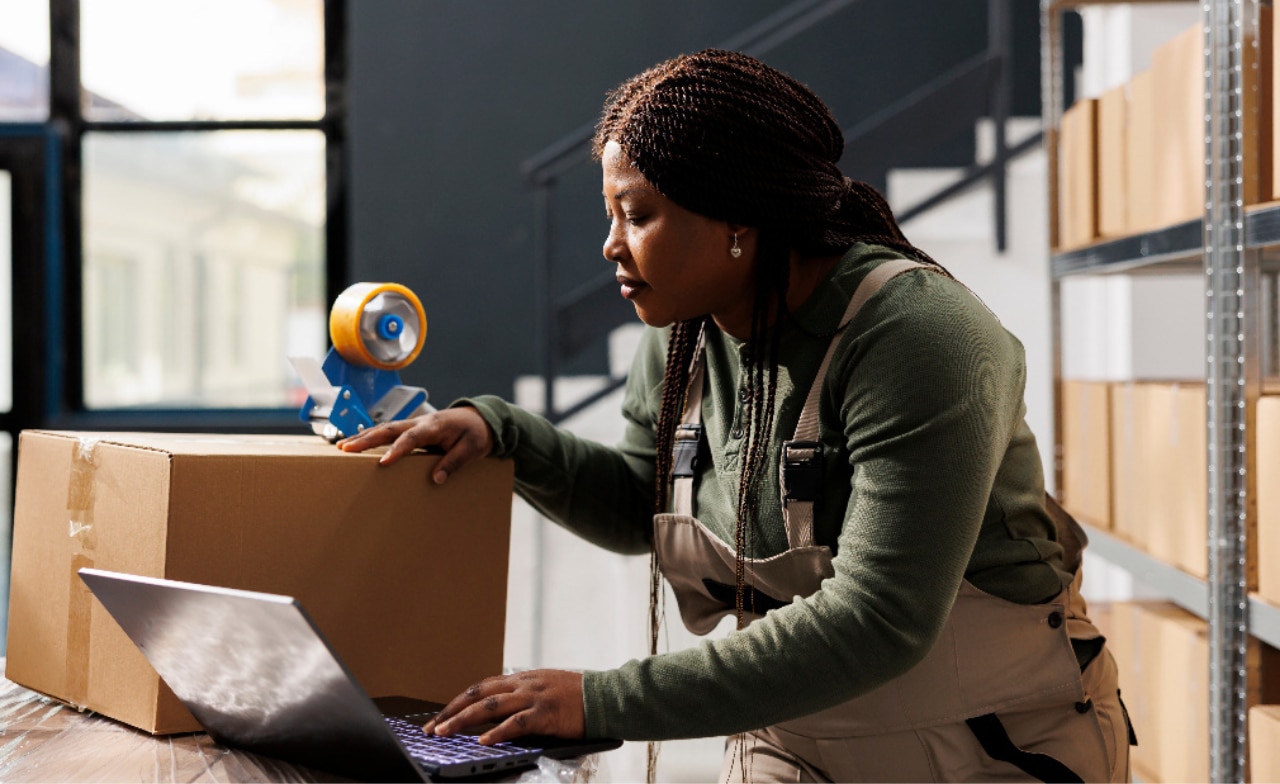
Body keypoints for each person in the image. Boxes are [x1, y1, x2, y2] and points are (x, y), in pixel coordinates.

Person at [337, 48, 1133, 783]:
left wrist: (597, 698)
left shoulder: (920, 339)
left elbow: (879, 619)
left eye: (636, 214)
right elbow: (636, 506)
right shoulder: (685, 335)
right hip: (792, 741)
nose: (611, 247)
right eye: (610, 215)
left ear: (738, 222)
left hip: (989, 746)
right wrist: (503, 435)